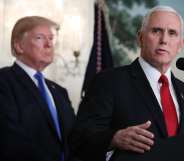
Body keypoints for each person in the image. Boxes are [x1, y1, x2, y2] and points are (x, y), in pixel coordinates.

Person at [70, 5, 184, 161]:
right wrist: (114, 138)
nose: (164, 40)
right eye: (156, 31)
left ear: (180, 45)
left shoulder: (182, 89)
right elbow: (79, 140)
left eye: (172, 33)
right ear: (140, 38)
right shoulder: (109, 81)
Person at [0, 16, 76, 161]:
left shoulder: (59, 91)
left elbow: (75, 138)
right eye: (40, 38)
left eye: (51, 38)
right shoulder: (4, 82)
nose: (49, 44)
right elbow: (9, 138)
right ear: (18, 46)